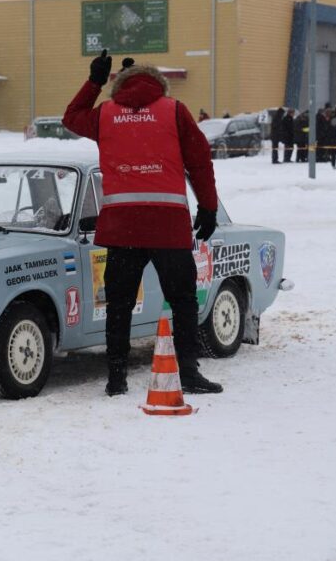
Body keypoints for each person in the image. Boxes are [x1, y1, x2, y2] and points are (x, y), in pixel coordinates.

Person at [63, 49, 223, 397]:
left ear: (118, 86)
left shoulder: (106, 114)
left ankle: (116, 378)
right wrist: (208, 207)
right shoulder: (174, 111)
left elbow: (72, 117)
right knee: (182, 301)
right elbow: (199, 161)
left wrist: (93, 81)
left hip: (123, 227)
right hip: (167, 226)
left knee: (119, 303)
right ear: (159, 85)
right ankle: (190, 373)